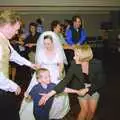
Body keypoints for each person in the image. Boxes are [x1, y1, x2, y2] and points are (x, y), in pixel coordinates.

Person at [39, 44, 106, 120]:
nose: (74, 57)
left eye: (76, 55)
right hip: (80, 88)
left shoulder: (97, 64)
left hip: (94, 87)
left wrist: (87, 89)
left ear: (84, 57)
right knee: (84, 110)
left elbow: (101, 81)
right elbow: (65, 80)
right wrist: (49, 94)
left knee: (91, 111)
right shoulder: (74, 64)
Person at [20, 31, 69, 120]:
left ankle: (54, 113)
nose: (47, 45)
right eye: (45, 44)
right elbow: (38, 65)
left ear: (53, 42)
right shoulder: (41, 52)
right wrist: (38, 74)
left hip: (54, 74)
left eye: (49, 43)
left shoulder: (58, 52)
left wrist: (60, 73)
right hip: (42, 74)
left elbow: (61, 65)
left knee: (56, 94)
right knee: (38, 93)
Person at [0, 9, 39, 120]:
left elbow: (13, 55)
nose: (17, 33)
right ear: (7, 26)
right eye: (16, 29)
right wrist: (13, 85)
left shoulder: (4, 39)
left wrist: (31, 64)